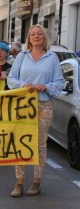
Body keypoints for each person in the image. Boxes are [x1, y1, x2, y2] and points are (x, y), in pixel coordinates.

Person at [7, 24, 65, 197]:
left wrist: (46, 86)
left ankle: (36, 182)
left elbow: (59, 82)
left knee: (40, 144)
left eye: (40, 34)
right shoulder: (22, 57)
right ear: (29, 38)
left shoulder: (52, 58)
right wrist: (24, 85)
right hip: (23, 105)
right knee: (22, 141)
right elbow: (11, 79)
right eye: (33, 34)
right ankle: (19, 182)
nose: (36, 36)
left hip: (43, 105)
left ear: (44, 37)